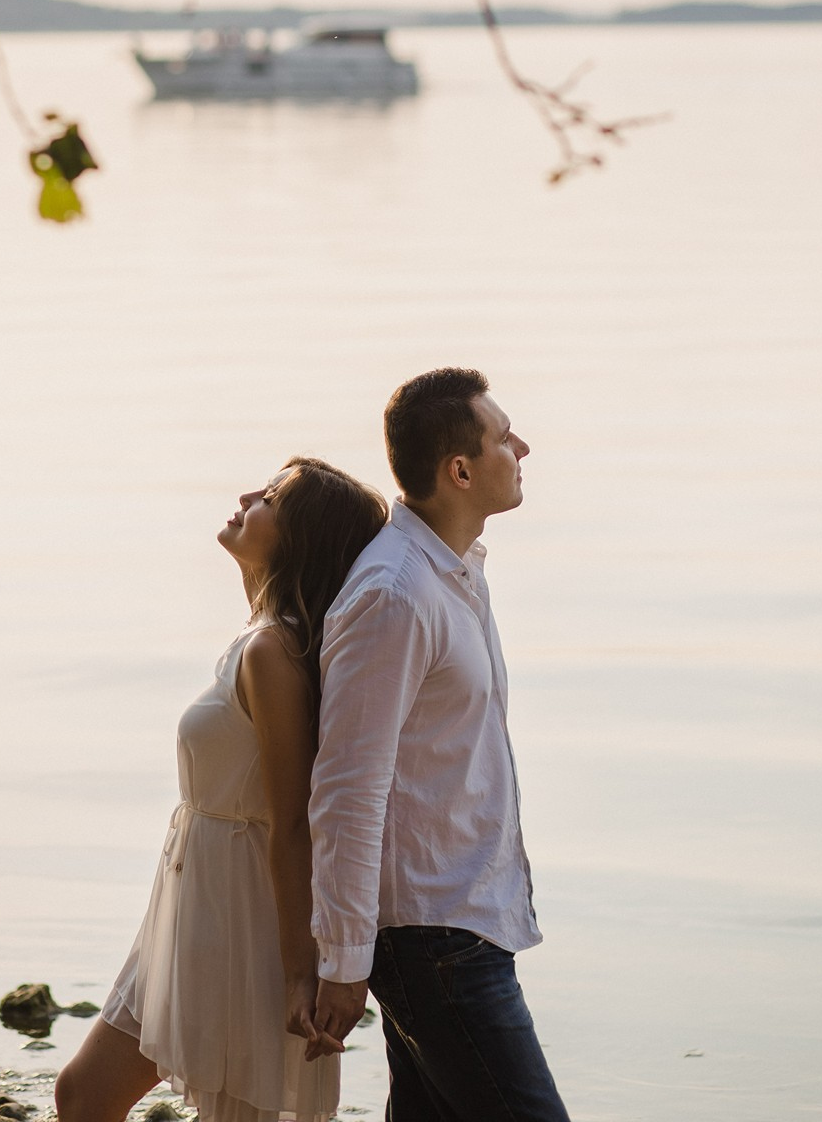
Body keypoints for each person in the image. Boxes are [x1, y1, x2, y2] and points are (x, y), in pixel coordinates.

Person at [56, 457, 388, 1122]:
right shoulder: (257, 639)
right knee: (83, 1094)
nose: (244, 497)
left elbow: (293, 822)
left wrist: (301, 970)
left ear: (300, 539)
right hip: (190, 907)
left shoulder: (274, 653)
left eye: (269, 498)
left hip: (242, 922)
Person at [306, 368, 569, 1120]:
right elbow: (348, 787)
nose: (522, 446)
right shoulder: (395, 594)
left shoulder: (450, 573)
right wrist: (345, 958)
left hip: (460, 924)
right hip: (433, 940)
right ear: (460, 470)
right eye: (502, 436)